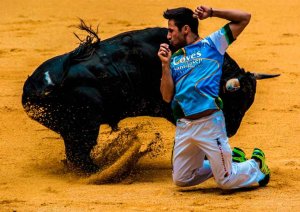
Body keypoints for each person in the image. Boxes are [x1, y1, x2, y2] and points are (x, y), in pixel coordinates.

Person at [157, 5, 270, 189]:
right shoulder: (175, 58)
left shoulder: (212, 44)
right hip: (185, 127)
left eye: (171, 30)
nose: (168, 36)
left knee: (225, 181)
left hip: (209, 124)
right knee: (181, 179)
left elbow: (244, 17)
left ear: (186, 29)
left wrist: (212, 13)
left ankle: (256, 165)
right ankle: (230, 162)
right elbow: (167, 96)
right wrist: (165, 66)